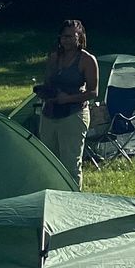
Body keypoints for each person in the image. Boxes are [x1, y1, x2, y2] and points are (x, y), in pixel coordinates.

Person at [35, 19, 99, 187]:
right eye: (64, 36)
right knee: (49, 162)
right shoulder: (54, 57)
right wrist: (44, 92)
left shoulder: (87, 60)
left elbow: (93, 92)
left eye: (71, 36)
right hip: (50, 112)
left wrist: (67, 99)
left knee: (70, 163)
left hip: (74, 114)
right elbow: (48, 82)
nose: (67, 40)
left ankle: (73, 201)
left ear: (80, 37)